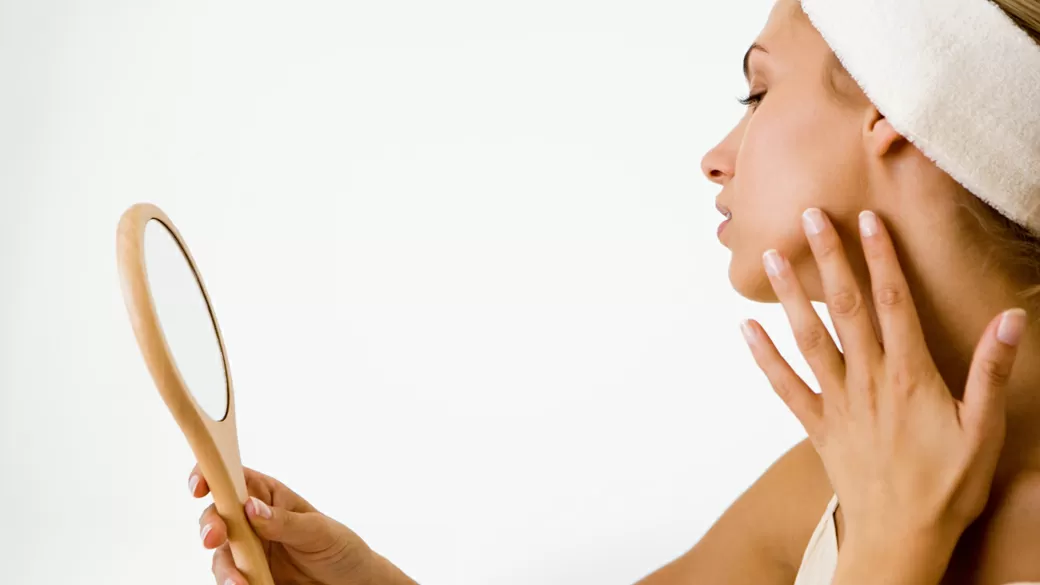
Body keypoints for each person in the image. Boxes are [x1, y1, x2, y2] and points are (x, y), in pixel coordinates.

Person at [188, 0, 1040, 583]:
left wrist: (892, 550)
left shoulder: (875, 498)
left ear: (897, 105)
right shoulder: (828, 479)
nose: (716, 156)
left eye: (759, 91)